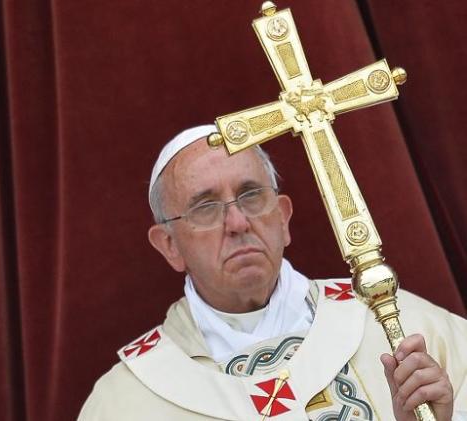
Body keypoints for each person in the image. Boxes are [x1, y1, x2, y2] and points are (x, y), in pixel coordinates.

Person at [78, 125, 467, 420]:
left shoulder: (404, 330)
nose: (236, 222)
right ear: (169, 245)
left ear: (282, 218)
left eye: (250, 195)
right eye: (205, 207)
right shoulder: (126, 400)